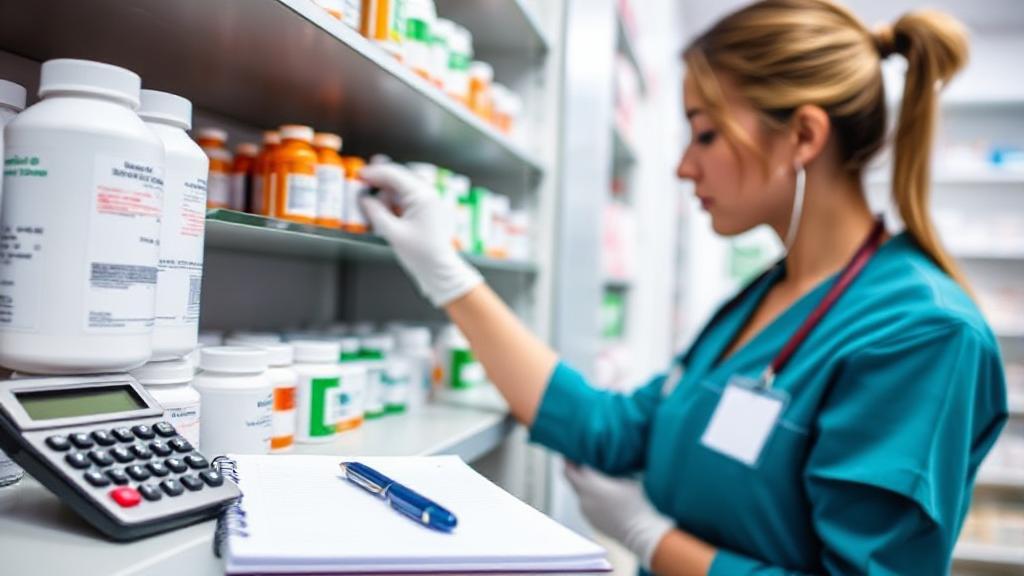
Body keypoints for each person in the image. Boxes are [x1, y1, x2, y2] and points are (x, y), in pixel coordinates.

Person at [358, 0, 1008, 573]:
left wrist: (655, 539)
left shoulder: (922, 334)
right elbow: (611, 430)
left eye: (706, 132)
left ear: (804, 136)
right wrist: (447, 274)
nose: (682, 165)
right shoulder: (763, 298)